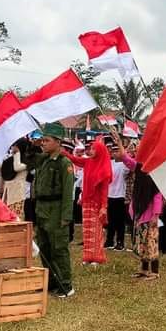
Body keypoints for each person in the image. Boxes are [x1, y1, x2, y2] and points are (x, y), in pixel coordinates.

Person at [29, 123, 76, 298]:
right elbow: (29, 160)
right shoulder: (43, 159)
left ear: (58, 142)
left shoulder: (64, 164)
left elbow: (67, 192)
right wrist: (31, 147)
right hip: (42, 209)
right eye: (43, 140)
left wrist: (66, 216)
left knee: (59, 248)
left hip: (56, 210)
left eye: (47, 140)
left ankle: (65, 284)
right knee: (44, 247)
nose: (43, 143)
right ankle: (52, 282)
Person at [64, 138, 113, 266]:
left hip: (96, 203)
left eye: (93, 149)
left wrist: (104, 206)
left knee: (96, 230)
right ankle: (87, 256)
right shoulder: (88, 162)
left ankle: (97, 257)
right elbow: (75, 160)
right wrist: (64, 153)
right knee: (87, 230)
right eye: (91, 149)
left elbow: (104, 191)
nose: (90, 151)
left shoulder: (104, 168)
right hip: (86, 201)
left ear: (100, 151)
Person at [129, 165, 163, 280]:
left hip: (150, 217)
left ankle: (154, 271)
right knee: (142, 244)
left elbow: (158, 196)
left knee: (151, 244)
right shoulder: (140, 178)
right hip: (140, 215)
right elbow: (128, 160)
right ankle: (144, 269)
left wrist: (156, 215)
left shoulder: (154, 179)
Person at [104, 138, 133, 251]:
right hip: (109, 195)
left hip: (120, 195)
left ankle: (120, 241)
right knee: (110, 220)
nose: (115, 153)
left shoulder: (124, 164)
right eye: (114, 151)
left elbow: (128, 169)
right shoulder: (109, 163)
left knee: (120, 221)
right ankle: (109, 240)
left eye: (117, 151)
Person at [0, 140, 30, 217]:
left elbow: (16, 167)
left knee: (16, 217)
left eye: (15, 146)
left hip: (18, 193)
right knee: (6, 216)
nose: (13, 147)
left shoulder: (27, 161)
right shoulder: (11, 159)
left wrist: (17, 153)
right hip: (9, 191)